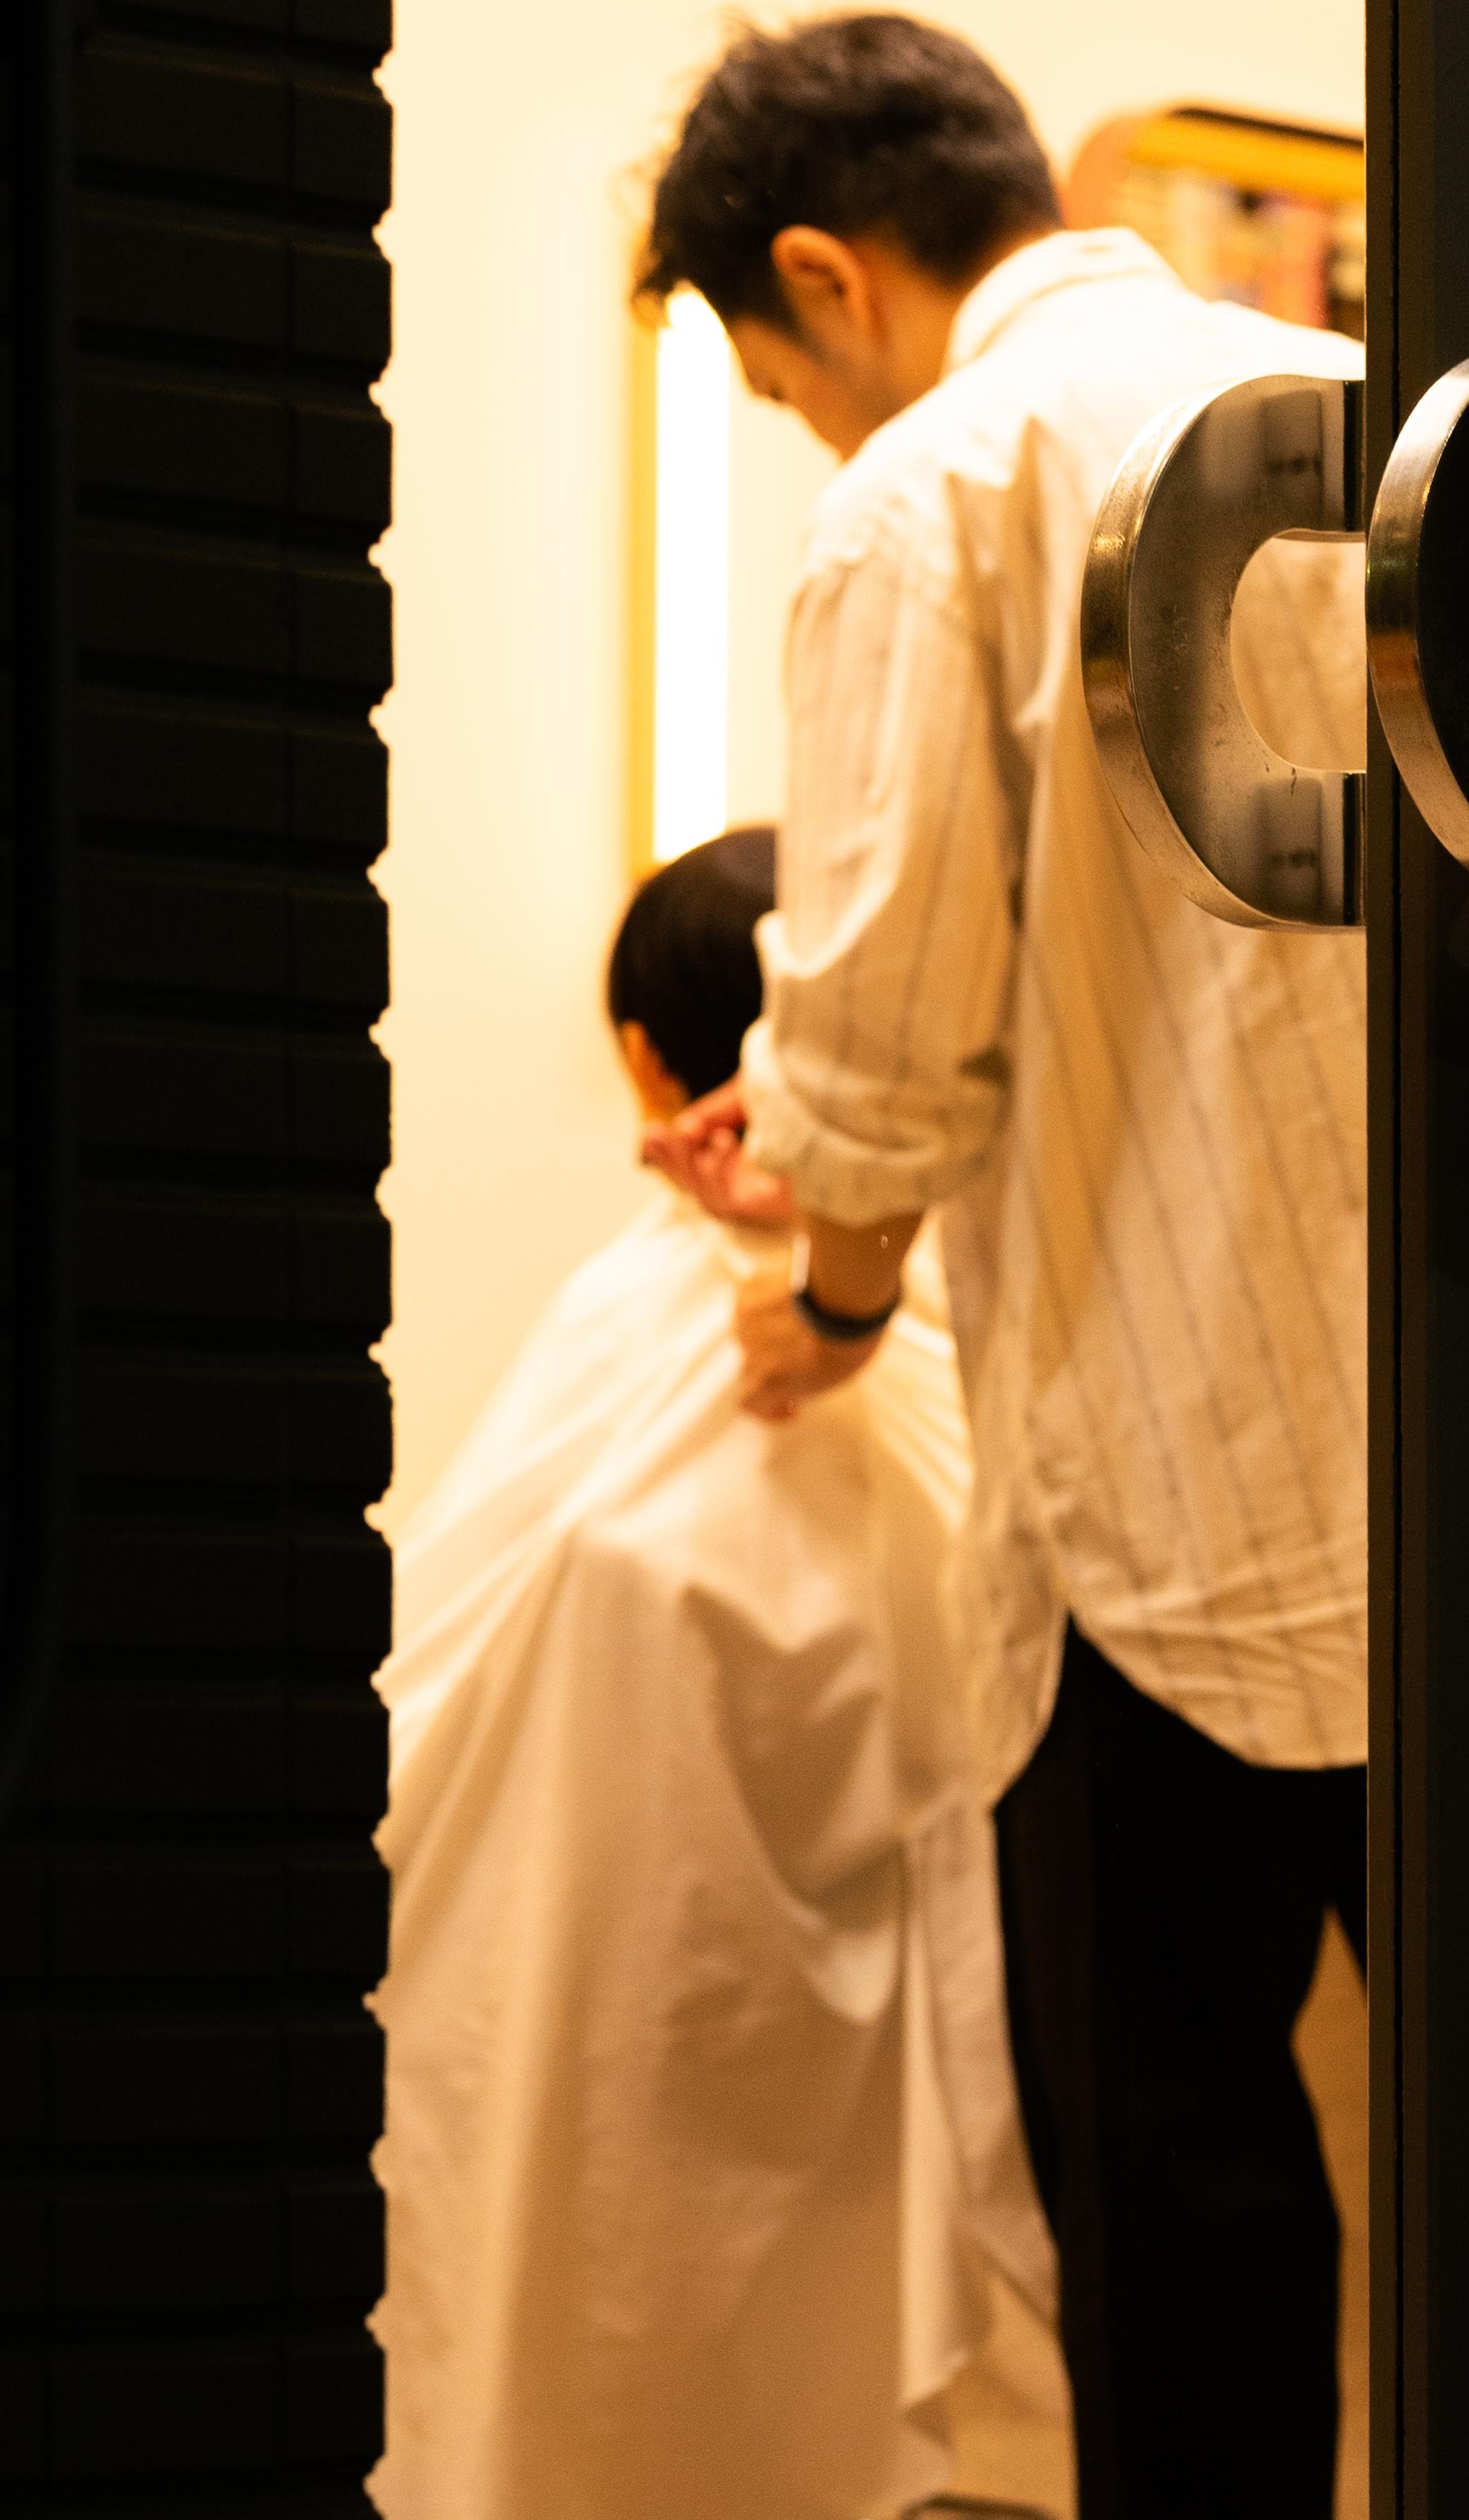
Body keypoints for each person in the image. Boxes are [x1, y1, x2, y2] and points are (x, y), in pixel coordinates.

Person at [637, 16, 1369, 2519]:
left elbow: (880, 1036)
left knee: (1178, 2216)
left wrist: (832, 1290)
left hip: (1153, 1503)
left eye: (769, 380)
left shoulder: (926, 496)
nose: (803, 431)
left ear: (828, 277)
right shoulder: (1363, 395)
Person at [371, 828, 1058, 2520]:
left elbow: (450, 1688)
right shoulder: (977, 1334)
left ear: (642, 1056)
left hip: (627, 2078)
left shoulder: (657, 1346)